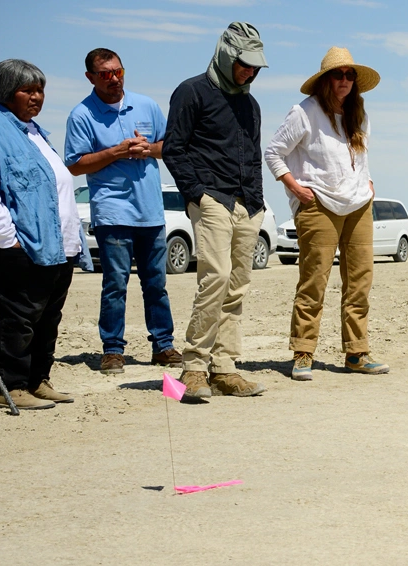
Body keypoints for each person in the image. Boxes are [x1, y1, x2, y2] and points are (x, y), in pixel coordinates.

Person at [0, 59, 83, 410]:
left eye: (40, 89)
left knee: (46, 319)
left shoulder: (34, 130)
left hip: (54, 247)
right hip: (16, 248)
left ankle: (38, 380)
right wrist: (7, 239)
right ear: (7, 92)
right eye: (28, 90)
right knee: (18, 319)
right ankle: (9, 387)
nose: (37, 97)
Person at [264, 47, 389, 381]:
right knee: (314, 280)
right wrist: (295, 187)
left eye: (350, 75)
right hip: (318, 204)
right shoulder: (304, 112)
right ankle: (303, 352)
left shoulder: (358, 113)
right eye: (338, 75)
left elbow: (360, 157)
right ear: (325, 80)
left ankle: (357, 352)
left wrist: (369, 181)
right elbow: (274, 153)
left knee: (360, 282)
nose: (345, 81)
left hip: (359, 203)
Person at [164, 22, 268, 402]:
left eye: (256, 66)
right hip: (212, 199)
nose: (250, 72)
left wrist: (256, 201)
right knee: (215, 278)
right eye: (244, 64)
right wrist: (198, 194)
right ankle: (193, 367)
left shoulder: (251, 103)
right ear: (226, 55)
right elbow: (174, 149)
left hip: (247, 204)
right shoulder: (192, 91)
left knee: (237, 285)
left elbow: (254, 155)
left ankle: (224, 368)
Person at [66, 47, 181, 376]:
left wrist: (149, 148)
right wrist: (116, 151)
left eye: (119, 71)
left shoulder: (146, 105)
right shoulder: (81, 115)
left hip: (150, 210)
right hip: (113, 212)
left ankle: (163, 345)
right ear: (91, 77)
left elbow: (170, 145)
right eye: (105, 74)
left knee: (156, 283)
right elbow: (75, 165)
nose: (114, 79)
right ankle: (113, 350)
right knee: (116, 283)